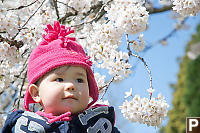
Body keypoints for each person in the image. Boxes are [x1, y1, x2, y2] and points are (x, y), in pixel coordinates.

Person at [2, 21, 120, 133]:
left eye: (79, 80)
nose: (71, 85)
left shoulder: (99, 125)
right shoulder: (25, 126)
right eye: (59, 79)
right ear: (36, 93)